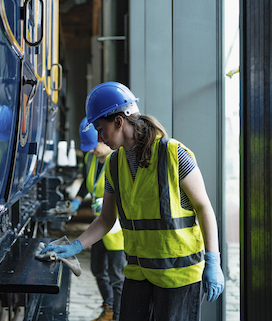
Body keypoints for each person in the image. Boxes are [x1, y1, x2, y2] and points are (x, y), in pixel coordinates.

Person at [42, 82, 225, 321]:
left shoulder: (174, 154)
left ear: (119, 121)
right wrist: (76, 246)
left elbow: (204, 207)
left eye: (100, 128)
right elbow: (107, 218)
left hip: (179, 277)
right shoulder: (114, 164)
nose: (99, 137)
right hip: (138, 276)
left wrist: (213, 260)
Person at [70, 117, 125, 321]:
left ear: (104, 137)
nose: (92, 150)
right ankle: (109, 308)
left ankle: (117, 316)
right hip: (99, 224)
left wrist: (113, 204)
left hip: (116, 228)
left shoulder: (120, 160)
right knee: (97, 269)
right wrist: (76, 200)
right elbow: (87, 181)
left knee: (117, 276)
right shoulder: (91, 158)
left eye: (95, 146)